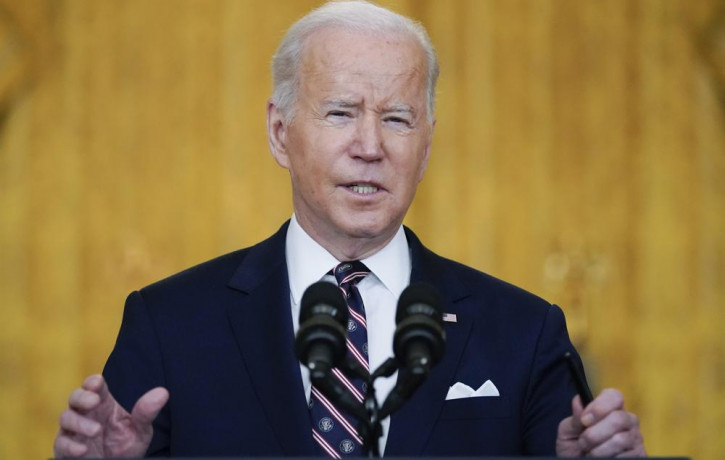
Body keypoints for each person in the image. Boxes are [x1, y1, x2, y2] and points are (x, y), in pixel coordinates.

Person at [53, 1, 646, 458]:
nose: (370, 147)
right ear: (280, 132)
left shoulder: (523, 331)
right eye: (340, 113)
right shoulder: (169, 323)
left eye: (396, 118)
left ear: (427, 143)